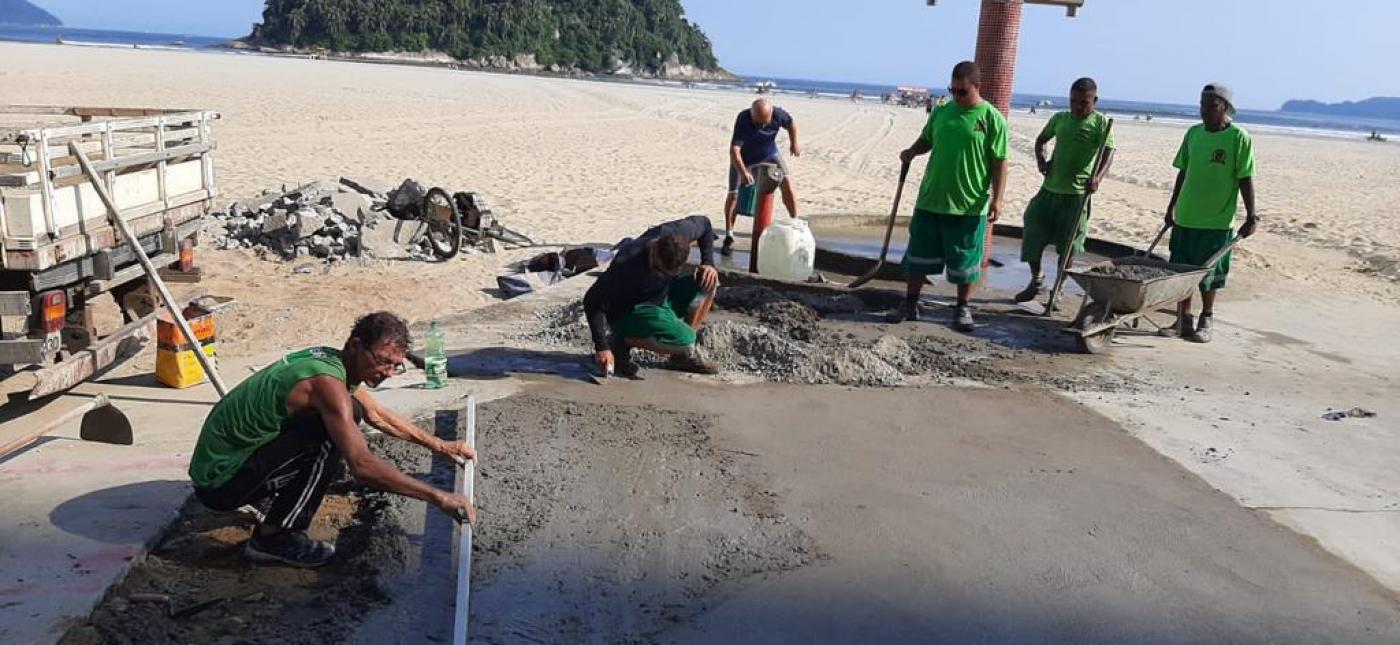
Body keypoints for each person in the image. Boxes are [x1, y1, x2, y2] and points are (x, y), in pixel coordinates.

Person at [188, 312, 477, 568]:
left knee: (354, 412)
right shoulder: (327, 384)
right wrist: (439, 497)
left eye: (395, 366)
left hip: (225, 463)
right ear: (355, 345)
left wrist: (439, 446)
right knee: (331, 436)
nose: (387, 373)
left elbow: (377, 415)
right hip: (219, 484)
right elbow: (362, 466)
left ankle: (275, 495)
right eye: (382, 361)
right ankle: (273, 538)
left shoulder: (333, 362)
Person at [889, 61, 1009, 332]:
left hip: (968, 204)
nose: (956, 96)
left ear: (976, 87)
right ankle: (910, 303)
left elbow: (1000, 162)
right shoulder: (942, 112)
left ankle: (962, 307)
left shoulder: (992, 119)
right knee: (918, 255)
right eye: (952, 90)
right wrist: (911, 151)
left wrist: (998, 199)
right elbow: (927, 140)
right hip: (931, 198)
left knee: (965, 261)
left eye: (962, 92)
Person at [1163, 82, 1257, 343]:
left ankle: (1207, 318)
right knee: (1181, 271)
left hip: (1217, 219)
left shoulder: (1239, 138)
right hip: (1186, 214)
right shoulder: (1193, 134)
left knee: (1210, 275)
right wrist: (1171, 206)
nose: (1205, 111)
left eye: (1212, 107)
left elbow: (1245, 178)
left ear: (1225, 108)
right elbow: (1183, 171)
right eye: (1202, 106)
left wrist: (1251, 216)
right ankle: (1182, 320)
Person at [1015, 77, 1116, 304]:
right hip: (1049, 191)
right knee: (1032, 228)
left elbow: (1109, 152)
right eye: (1074, 101)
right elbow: (1042, 139)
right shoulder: (1060, 118)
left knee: (1068, 246)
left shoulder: (1100, 124)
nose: (1078, 107)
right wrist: (1042, 161)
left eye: (1084, 102)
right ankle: (1037, 280)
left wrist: (1097, 178)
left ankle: (1058, 289)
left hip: (1077, 196)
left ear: (1094, 101)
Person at [585, 215, 722, 378]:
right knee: (687, 340)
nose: (659, 273)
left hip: (661, 295)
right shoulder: (627, 262)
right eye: (658, 269)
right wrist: (602, 346)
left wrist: (708, 263)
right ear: (655, 249)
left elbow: (705, 224)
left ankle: (682, 357)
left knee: (709, 281)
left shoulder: (678, 233)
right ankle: (621, 341)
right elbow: (592, 300)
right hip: (631, 310)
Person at [722, 98, 801, 256]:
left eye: (764, 123)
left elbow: (791, 123)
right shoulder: (743, 119)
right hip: (744, 158)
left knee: (787, 183)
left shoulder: (778, 114)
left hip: (769, 153)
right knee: (733, 194)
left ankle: (795, 221)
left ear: (771, 115)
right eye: (757, 124)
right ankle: (729, 234)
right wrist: (744, 172)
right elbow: (734, 151)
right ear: (752, 115)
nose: (761, 127)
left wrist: (794, 142)